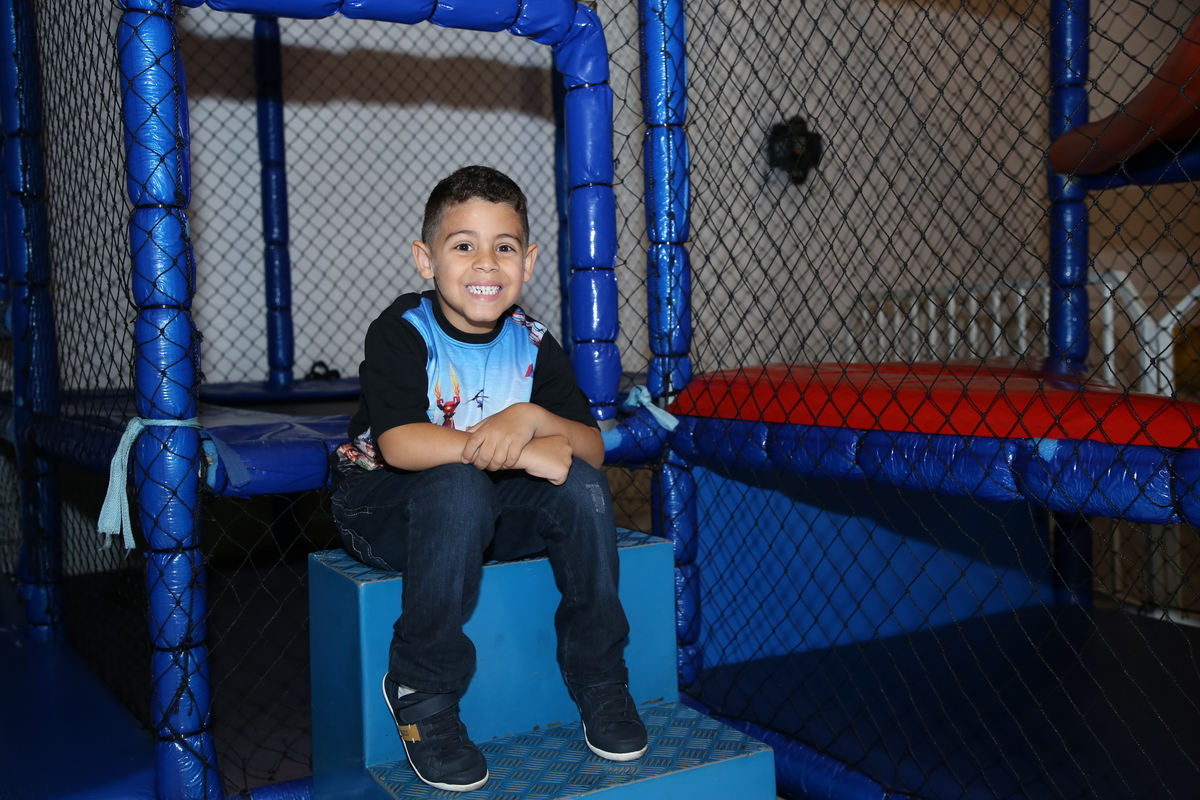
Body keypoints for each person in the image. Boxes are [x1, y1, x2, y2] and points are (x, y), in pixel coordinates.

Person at [330, 165, 647, 792]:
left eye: (504, 247)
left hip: (484, 514)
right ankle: (420, 685)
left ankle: (600, 675)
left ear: (528, 262)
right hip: (380, 508)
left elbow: (590, 449)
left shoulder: (534, 343)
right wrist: (525, 453)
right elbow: (399, 444)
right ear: (426, 260)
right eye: (463, 245)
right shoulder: (403, 331)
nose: (485, 264)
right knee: (459, 485)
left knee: (582, 488)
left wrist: (531, 418)